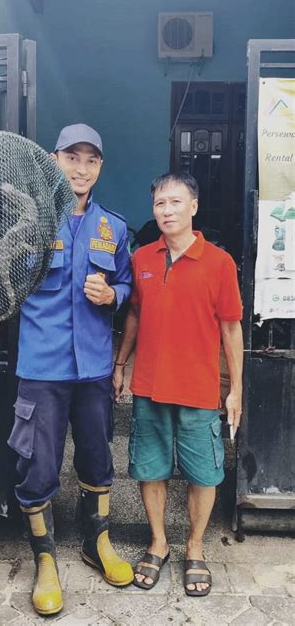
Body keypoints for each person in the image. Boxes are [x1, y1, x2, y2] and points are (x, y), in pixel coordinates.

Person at [8, 124, 134, 615]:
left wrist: (114, 295)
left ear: (100, 167)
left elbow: (125, 284)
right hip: (42, 366)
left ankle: (96, 544)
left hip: (94, 367)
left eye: (91, 160)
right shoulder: (32, 222)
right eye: (72, 157)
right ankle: (45, 561)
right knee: (37, 465)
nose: (81, 168)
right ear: (54, 160)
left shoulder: (114, 227)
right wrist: (14, 239)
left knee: (98, 458)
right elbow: (5, 280)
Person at [113, 172, 243, 597]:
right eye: (159, 204)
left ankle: (195, 546)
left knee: (204, 474)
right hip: (149, 385)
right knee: (150, 469)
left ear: (193, 206)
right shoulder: (142, 259)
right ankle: (158, 541)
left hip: (199, 388)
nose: (166, 211)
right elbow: (133, 313)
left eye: (175, 202)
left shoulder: (219, 263)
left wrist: (235, 388)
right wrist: (121, 363)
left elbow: (231, 328)